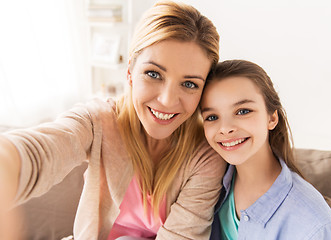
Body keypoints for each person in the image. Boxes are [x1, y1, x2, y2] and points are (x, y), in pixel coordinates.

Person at [0, 1, 226, 239]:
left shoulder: (206, 155)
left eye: (189, 84)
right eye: (153, 74)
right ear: (130, 71)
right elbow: (39, 152)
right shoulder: (98, 122)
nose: (168, 101)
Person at [200, 60, 331, 240]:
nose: (225, 128)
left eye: (243, 111)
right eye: (212, 117)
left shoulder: (314, 226)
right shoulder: (208, 184)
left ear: (272, 118)